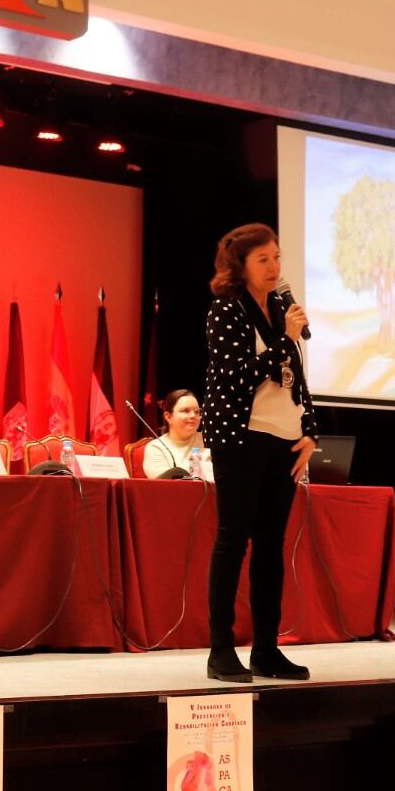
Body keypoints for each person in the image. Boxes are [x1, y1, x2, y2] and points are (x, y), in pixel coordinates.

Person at [201, 223, 316, 683]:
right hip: (241, 437)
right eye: (263, 259)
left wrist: (310, 429)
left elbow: (297, 378)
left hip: (285, 441)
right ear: (241, 265)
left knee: (272, 546)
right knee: (233, 541)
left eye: (277, 257)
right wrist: (284, 340)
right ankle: (221, 650)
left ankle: (266, 650)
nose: (274, 267)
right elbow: (236, 377)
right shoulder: (226, 311)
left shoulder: (279, 308)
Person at [142, 388, 208, 478]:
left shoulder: (209, 441)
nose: (193, 416)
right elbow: (164, 483)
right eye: (186, 410)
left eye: (197, 411)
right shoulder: (156, 447)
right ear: (168, 417)